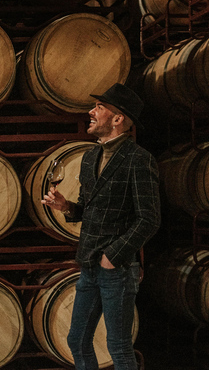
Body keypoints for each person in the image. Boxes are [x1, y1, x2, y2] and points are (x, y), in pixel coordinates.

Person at [42, 82, 161, 370]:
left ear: (118, 119)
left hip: (116, 269)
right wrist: (67, 206)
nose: (91, 112)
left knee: (118, 347)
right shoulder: (89, 157)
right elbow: (89, 208)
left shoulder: (139, 160)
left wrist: (113, 256)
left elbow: (149, 218)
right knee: (77, 340)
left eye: (99, 108)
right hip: (90, 263)